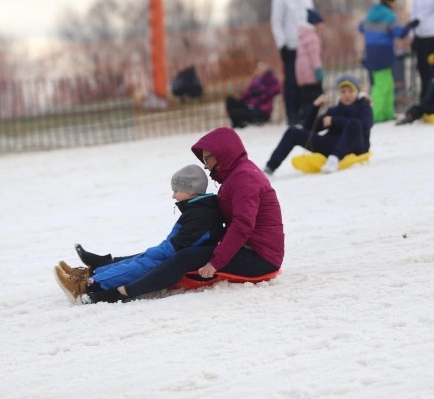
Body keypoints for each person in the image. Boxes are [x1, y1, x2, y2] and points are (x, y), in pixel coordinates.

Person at [65, 128, 285, 305]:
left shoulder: (245, 180)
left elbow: (242, 226)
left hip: (260, 257)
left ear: (223, 154)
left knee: (182, 257)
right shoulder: (237, 175)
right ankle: (98, 270)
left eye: (208, 159)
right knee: (167, 252)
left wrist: (216, 262)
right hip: (247, 248)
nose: (206, 166)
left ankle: (120, 293)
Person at [54, 165, 225, 304]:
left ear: (189, 191)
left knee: (142, 264)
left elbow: (180, 244)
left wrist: (156, 252)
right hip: (177, 252)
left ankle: (88, 285)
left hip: (183, 257)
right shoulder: (197, 209)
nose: (173, 195)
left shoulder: (201, 215)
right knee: (141, 258)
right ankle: (91, 274)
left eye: (176, 191)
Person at [263, 74, 373, 175]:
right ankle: (269, 168)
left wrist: (335, 121)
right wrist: (315, 107)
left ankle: (335, 159)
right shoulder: (333, 111)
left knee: (354, 124)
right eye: (343, 92)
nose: (347, 94)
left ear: (357, 92)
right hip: (332, 145)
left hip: (357, 146)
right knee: (292, 132)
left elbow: (365, 126)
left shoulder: (364, 107)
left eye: (350, 91)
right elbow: (309, 129)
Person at [359, 0, 419, 123]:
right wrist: (410, 26)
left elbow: (360, 27)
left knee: (387, 83)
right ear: (391, 2)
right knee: (382, 86)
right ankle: (376, 115)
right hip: (383, 53)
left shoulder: (370, 14)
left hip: (370, 52)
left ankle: (387, 112)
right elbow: (399, 33)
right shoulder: (389, 16)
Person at [271, 0, 315, 123]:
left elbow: (312, 18)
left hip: (306, 44)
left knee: (306, 79)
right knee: (292, 81)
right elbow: (277, 22)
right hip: (291, 45)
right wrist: (282, 44)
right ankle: (292, 112)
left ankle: (305, 111)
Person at [225, 61, 282, 128]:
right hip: (250, 106)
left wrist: (261, 91)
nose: (258, 69)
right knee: (230, 100)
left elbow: (277, 89)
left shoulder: (269, 78)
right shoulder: (255, 79)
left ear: (266, 68)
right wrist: (245, 96)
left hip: (260, 110)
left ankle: (239, 123)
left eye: (261, 67)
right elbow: (246, 94)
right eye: (257, 67)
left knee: (234, 113)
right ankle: (239, 122)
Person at [296, 10, 325, 121]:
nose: (322, 26)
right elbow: (314, 55)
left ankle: (305, 117)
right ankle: (313, 118)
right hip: (310, 71)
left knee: (305, 98)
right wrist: (318, 69)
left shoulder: (302, 35)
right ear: (315, 23)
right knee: (316, 96)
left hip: (301, 73)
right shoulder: (312, 37)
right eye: (321, 23)